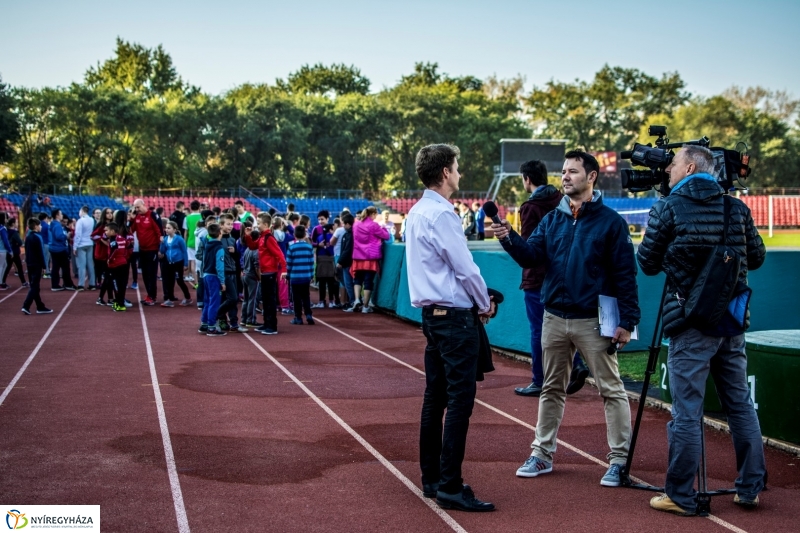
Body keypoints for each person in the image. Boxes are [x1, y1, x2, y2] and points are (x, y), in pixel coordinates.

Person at [491, 150, 640, 487]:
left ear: (592, 177)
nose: (566, 176)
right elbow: (531, 255)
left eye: (573, 171)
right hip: (554, 317)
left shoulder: (611, 223)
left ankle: (618, 461)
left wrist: (627, 321)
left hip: (593, 321)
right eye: (564, 171)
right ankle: (541, 454)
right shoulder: (553, 219)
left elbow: (625, 275)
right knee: (551, 389)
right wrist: (508, 237)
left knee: (612, 391)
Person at [636, 146, 767, 516]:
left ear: (690, 166)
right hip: (731, 319)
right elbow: (756, 257)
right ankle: (750, 488)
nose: (668, 171)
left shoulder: (669, 207)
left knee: (687, 411)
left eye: (673, 165)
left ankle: (679, 494)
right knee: (740, 404)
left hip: (691, 322)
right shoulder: (736, 208)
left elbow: (645, 262)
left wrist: (676, 256)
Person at [407, 144, 496, 512]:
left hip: (432, 316)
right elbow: (465, 268)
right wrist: (484, 301)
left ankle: (432, 478)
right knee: (459, 401)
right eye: (457, 166)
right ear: (445, 171)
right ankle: (450, 485)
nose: (459, 172)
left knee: (435, 398)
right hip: (454, 319)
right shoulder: (442, 215)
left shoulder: (416, 212)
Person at [512, 160, 590, 398]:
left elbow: (528, 248)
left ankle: (539, 380)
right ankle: (576, 364)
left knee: (538, 330)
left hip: (537, 279)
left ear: (527, 179)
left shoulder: (531, 207)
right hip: (563, 276)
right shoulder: (562, 202)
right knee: (565, 326)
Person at [243, 212, 286, 335]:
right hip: (264, 272)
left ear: (266, 224)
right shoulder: (262, 237)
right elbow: (252, 246)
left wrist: (284, 270)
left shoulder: (269, 238)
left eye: (259, 222)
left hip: (270, 272)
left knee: (270, 300)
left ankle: (272, 326)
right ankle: (267, 323)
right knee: (266, 300)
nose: (256, 224)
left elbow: (279, 255)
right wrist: (247, 236)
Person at [351, 206, 390, 313]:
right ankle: (365, 306)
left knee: (357, 279)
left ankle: (357, 299)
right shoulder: (374, 225)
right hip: (370, 257)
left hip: (357, 257)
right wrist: (383, 228)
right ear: (372, 214)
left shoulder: (356, 224)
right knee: (368, 281)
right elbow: (386, 236)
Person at [128, 199, 165, 305]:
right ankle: (149, 295)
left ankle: (153, 297)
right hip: (142, 249)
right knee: (144, 274)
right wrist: (131, 219)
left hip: (152, 249)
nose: (136, 209)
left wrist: (160, 249)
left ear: (144, 205)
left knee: (151, 274)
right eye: (135, 207)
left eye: (138, 207)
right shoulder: (137, 217)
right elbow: (130, 230)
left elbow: (159, 232)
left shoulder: (153, 215)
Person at [215, 213, 246, 332]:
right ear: (221, 225)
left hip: (233, 272)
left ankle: (234, 323)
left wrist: (235, 252)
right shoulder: (217, 240)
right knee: (228, 298)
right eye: (228, 224)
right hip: (223, 273)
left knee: (234, 299)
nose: (231, 226)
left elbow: (238, 258)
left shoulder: (233, 240)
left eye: (231, 224)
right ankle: (219, 318)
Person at [199, 222, 226, 337]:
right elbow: (220, 267)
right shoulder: (219, 248)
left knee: (207, 301)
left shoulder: (207, 245)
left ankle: (204, 323)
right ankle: (211, 327)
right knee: (214, 301)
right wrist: (222, 281)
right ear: (220, 233)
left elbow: (204, 260)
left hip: (205, 275)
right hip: (214, 276)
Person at [21, 218, 52, 315]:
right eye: (39, 225)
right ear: (35, 226)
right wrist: (44, 266)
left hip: (30, 263)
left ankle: (40, 306)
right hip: (36, 264)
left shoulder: (28, 237)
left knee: (35, 286)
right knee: (34, 286)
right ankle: (26, 305)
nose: (41, 226)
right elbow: (41, 253)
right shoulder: (38, 237)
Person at [158, 221, 193, 308]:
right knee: (169, 281)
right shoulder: (165, 239)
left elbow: (184, 251)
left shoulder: (179, 239)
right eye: (166, 228)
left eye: (169, 228)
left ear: (174, 230)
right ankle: (170, 299)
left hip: (178, 262)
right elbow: (162, 251)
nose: (166, 230)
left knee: (180, 281)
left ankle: (188, 297)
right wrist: (161, 243)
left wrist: (185, 264)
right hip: (169, 263)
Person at [285, 225, 315, 325]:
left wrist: (288, 275)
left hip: (295, 277)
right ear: (305, 234)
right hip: (306, 276)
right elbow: (311, 263)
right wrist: (312, 275)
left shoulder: (291, 247)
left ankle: (298, 317)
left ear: (294, 235)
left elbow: (289, 264)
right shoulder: (309, 247)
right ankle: (308, 315)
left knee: (296, 298)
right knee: (306, 296)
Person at [105, 222, 133, 312]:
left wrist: (109, 259)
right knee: (122, 284)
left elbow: (115, 249)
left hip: (115, 265)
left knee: (116, 284)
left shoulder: (113, 240)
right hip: (123, 263)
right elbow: (129, 246)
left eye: (107, 230)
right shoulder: (122, 238)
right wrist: (125, 256)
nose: (105, 232)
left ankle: (120, 304)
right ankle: (119, 302)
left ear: (112, 231)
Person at [48, 209, 76, 291]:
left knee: (55, 267)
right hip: (60, 249)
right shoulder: (57, 225)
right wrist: (66, 236)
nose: (62, 215)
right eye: (60, 214)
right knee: (65, 267)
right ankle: (68, 284)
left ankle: (55, 284)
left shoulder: (52, 224)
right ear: (57, 215)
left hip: (53, 248)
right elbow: (59, 236)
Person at [313, 223, 339, 308]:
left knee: (322, 282)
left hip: (321, 260)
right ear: (331, 229)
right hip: (330, 259)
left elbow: (315, 245)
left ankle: (321, 301)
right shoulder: (333, 237)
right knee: (331, 281)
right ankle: (331, 301)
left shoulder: (319, 237)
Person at [92, 208, 115, 305]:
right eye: (107, 213)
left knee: (109, 277)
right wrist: (104, 241)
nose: (109, 215)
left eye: (111, 213)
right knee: (108, 277)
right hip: (102, 254)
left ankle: (109, 298)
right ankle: (103, 298)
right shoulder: (101, 225)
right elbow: (93, 236)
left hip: (111, 253)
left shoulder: (113, 225)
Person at [241, 228, 261, 327]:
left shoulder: (247, 249)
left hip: (245, 274)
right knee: (252, 299)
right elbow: (257, 267)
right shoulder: (256, 251)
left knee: (246, 299)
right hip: (252, 276)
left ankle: (243, 319)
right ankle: (251, 320)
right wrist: (260, 278)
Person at [73, 205, 96, 290]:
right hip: (90, 243)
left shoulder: (80, 221)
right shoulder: (91, 220)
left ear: (82, 211)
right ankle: (92, 284)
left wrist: (75, 247)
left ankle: (81, 284)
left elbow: (78, 235)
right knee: (90, 264)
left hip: (81, 244)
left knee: (81, 265)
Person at [337, 213, 356, 309]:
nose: (343, 226)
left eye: (344, 224)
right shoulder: (350, 234)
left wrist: (340, 261)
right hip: (350, 262)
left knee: (348, 283)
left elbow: (347, 249)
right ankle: (354, 300)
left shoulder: (349, 235)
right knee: (351, 283)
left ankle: (353, 301)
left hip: (347, 263)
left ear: (348, 224)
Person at [2, 217, 26, 289]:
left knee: (7, 267)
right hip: (14, 252)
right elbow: (20, 242)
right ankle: (23, 282)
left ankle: (3, 282)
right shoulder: (14, 233)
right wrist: (17, 245)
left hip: (8, 251)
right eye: (16, 222)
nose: (17, 224)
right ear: (13, 224)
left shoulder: (6, 231)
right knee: (19, 267)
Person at [184, 200, 202, 282]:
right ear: (199, 207)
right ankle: (201, 280)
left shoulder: (187, 218)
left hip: (190, 242)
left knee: (192, 262)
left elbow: (186, 232)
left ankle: (196, 282)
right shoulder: (202, 217)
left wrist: (185, 242)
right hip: (201, 242)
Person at [0, 212, 14, 291]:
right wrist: (10, 251)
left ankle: (2, 282)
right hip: (2, 250)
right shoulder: (2, 228)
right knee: (2, 266)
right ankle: (1, 283)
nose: (6, 219)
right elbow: (5, 241)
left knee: (4, 265)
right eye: (5, 218)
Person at [38, 212, 51, 278]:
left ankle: (42, 271)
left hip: (39, 243)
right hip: (46, 243)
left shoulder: (38, 224)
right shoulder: (46, 226)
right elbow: (49, 236)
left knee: (40, 258)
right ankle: (46, 273)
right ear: (45, 218)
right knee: (46, 259)